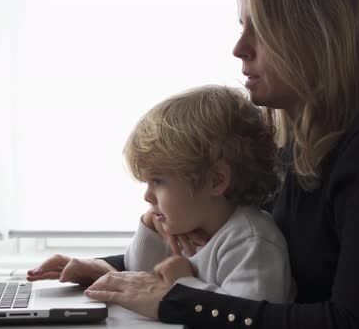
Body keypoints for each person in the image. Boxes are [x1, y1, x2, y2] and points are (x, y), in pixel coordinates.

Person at [28, 0, 359, 328]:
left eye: (259, 30)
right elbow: (218, 248)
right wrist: (107, 270)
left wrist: (173, 301)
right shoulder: (299, 141)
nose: (239, 48)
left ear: (316, 37)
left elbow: (357, 321)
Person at [121, 85, 294, 303]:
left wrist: (183, 283)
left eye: (158, 181)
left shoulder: (251, 242)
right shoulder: (190, 225)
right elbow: (138, 273)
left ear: (216, 181)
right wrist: (150, 226)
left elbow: (249, 315)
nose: (147, 196)